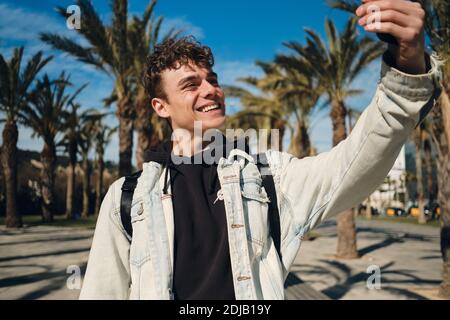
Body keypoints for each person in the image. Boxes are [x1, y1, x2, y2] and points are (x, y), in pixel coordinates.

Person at [80, 0, 442, 299]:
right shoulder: (127, 199)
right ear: (161, 107)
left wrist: (406, 65)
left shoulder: (269, 175)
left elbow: (355, 164)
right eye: (191, 84)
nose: (210, 90)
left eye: (213, 79)